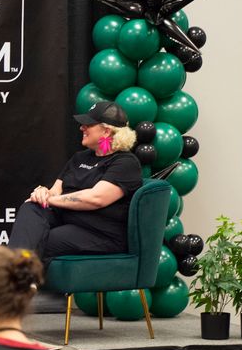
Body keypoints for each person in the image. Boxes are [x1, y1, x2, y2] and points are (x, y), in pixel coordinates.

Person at [8, 100, 142, 265]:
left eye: (88, 124)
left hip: (99, 233)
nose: (81, 128)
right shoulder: (80, 157)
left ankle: (16, 281)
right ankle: (20, 280)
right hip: (67, 220)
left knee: (40, 239)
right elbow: (56, 190)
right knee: (31, 207)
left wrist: (49, 200)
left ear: (106, 131)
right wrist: (43, 193)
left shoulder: (125, 163)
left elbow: (96, 198)